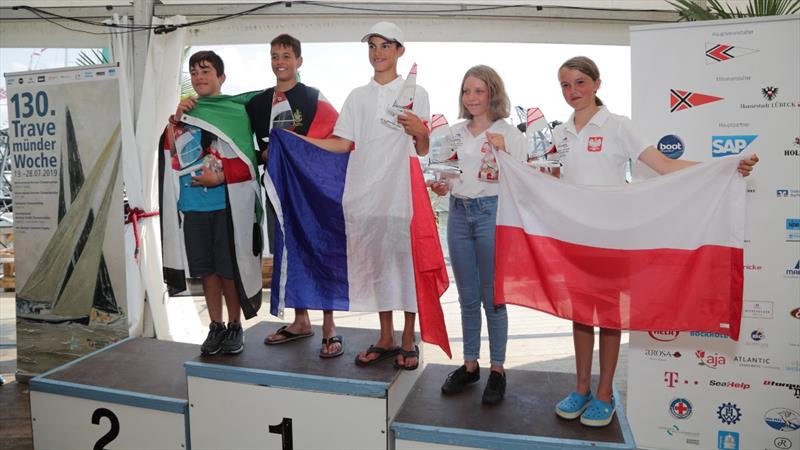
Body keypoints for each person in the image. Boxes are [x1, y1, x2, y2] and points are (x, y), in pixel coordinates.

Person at [551, 56, 758, 427]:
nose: (573, 92)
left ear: (598, 84)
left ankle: (604, 393)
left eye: (580, 82)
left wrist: (724, 164)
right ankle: (580, 387)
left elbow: (663, 165)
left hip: (613, 238)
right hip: (575, 238)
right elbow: (551, 178)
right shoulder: (558, 133)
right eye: (565, 85)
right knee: (580, 316)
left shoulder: (618, 125)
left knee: (609, 316)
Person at [297, 21, 431, 370]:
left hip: (401, 193)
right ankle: (385, 336)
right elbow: (342, 143)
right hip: (365, 194)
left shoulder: (417, 92)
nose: (378, 53)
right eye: (372, 46)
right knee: (378, 267)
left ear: (400, 50)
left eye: (385, 46)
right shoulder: (357, 96)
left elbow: (424, 148)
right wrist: (298, 142)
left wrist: (420, 132)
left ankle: (407, 337)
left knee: (405, 265)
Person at [430, 65, 527, 404]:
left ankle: (497, 369)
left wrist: (507, 153)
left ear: (492, 94)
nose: (471, 98)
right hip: (458, 213)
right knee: (467, 298)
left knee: (494, 298)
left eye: (479, 91)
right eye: (466, 91)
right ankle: (470, 365)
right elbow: (446, 181)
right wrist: (441, 186)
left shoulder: (509, 133)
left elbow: (527, 177)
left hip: (492, 214)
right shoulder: (453, 133)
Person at [245, 34, 342, 358]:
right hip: (277, 189)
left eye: (286, 55)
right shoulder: (258, 103)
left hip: (311, 190)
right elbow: (253, 148)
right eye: (274, 55)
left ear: (299, 61)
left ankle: (330, 326)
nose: (279, 61)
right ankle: (301, 321)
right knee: (288, 251)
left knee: (319, 249)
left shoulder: (314, 98)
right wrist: (268, 154)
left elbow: (338, 137)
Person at [161, 50, 262, 355]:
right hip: (193, 206)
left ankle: (234, 325)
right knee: (206, 271)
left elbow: (249, 159)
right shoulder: (183, 113)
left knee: (228, 269)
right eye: (194, 72)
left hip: (225, 206)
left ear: (221, 77)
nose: (199, 77)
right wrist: (176, 120)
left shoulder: (235, 112)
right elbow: (170, 155)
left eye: (206, 71)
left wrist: (219, 179)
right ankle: (215, 326)